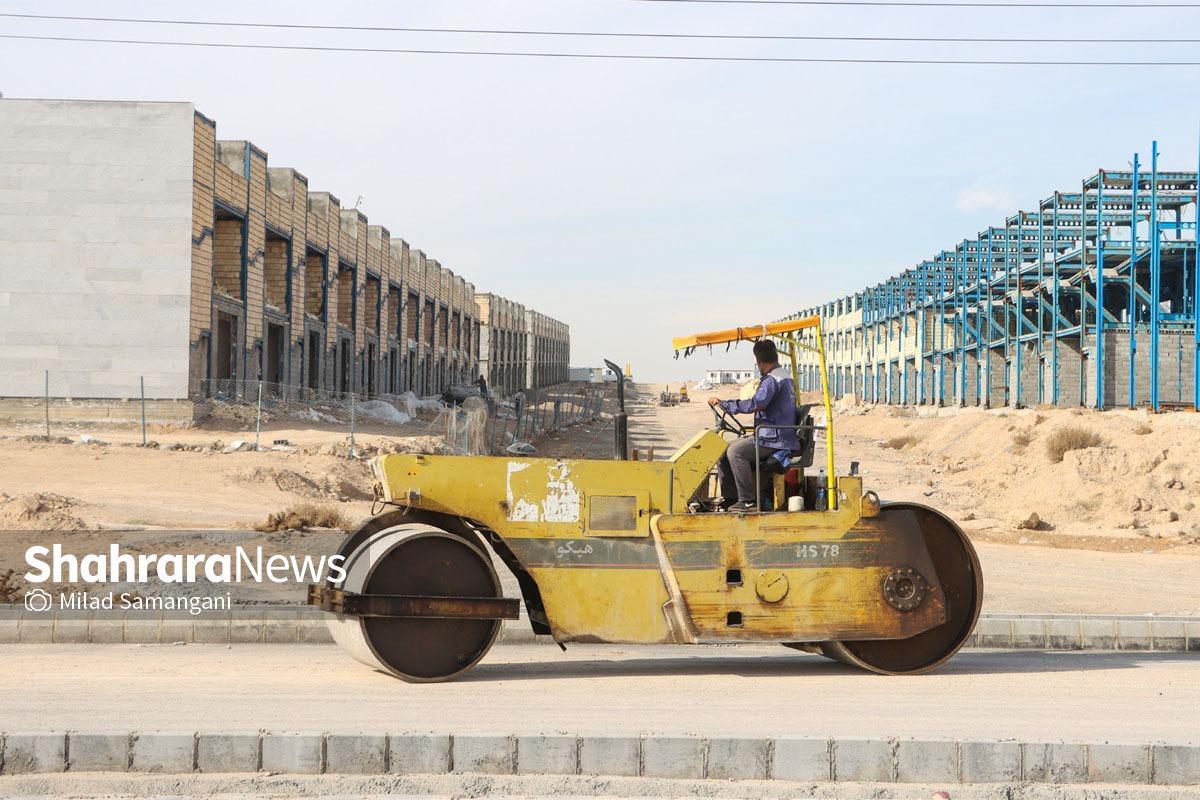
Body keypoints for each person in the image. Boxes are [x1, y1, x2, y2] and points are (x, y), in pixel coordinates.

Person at [708, 339, 800, 511]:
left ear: (759, 361)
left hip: (775, 439)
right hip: (774, 434)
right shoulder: (782, 376)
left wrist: (726, 404)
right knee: (722, 451)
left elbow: (755, 404)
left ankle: (748, 501)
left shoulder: (773, 380)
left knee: (735, 452)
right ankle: (731, 498)